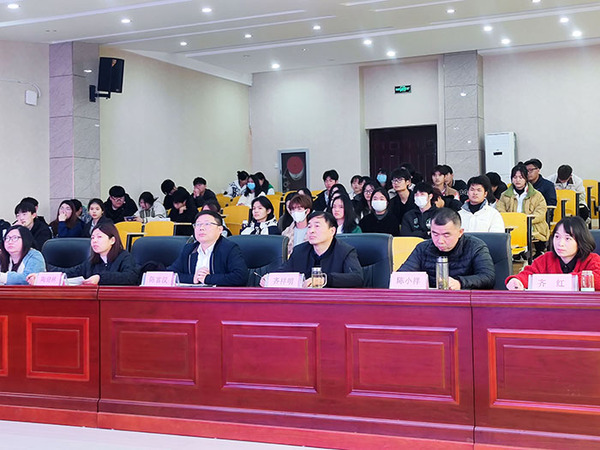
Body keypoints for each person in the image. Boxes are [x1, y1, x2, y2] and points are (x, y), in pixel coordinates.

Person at [398, 208, 495, 289]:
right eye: (435, 234)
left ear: (460, 232)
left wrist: (460, 283)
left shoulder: (475, 247)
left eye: (446, 235)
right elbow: (402, 275)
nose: (440, 241)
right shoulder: (423, 248)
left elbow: (488, 277)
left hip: (463, 299)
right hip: (430, 300)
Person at [263, 211, 363, 288]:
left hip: (333, 303)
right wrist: (269, 278)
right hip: (303, 302)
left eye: (317, 226)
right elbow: (283, 272)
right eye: (309, 226)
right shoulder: (299, 251)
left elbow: (357, 278)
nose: (311, 231)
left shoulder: (345, 251)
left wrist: (325, 279)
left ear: (332, 231)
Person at [29, 222, 138, 286]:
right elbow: (69, 273)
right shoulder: (92, 262)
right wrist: (43, 272)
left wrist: (100, 278)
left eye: (99, 237)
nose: (94, 241)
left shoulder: (124, 257)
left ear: (112, 240)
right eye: (92, 238)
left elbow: (130, 277)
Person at [506, 216, 600, 290]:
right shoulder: (546, 259)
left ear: (580, 241)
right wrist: (516, 280)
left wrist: (565, 280)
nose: (560, 243)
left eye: (567, 238)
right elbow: (529, 274)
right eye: (557, 237)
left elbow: (597, 279)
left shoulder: (592, 259)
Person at [167, 210, 247, 286]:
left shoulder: (229, 249)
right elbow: (170, 274)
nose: (201, 228)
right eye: (198, 224)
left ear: (220, 229)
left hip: (219, 294)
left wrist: (207, 279)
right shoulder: (189, 249)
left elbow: (240, 277)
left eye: (207, 224)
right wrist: (193, 278)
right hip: (192, 294)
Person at [496, 164, 549, 256]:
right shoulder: (504, 195)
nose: (517, 180)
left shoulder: (537, 195)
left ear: (526, 179)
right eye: (515, 177)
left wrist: (524, 221)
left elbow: (540, 212)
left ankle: (533, 252)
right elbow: (500, 211)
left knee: (530, 231)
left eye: (521, 177)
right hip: (511, 225)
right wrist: (513, 220)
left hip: (531, 223)